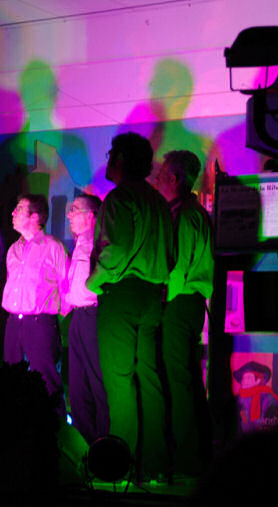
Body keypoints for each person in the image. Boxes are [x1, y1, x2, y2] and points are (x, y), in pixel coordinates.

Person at [86, 132, 173, 480]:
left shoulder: (120, 197)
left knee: (119, 380)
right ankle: (153, 466)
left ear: (120, 158)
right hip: (152, 295)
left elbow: (115, 250)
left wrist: (93, 282)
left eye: (111, 154)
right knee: (149, 380)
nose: (108, 160)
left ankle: (120, 467)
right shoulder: (158, 201)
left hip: (121, 294)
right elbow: (170, 255)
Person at [156, 150, 214, 476]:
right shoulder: (187, 212)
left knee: (179, 381)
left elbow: (177, 269)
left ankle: (186, 459)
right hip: (187, 304)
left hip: (180, 303)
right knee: (187, 378)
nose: (156, 180)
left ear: (175, 179)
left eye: (161, 175)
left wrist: (162, 301)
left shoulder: (187, 215)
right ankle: (196, 454)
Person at [2, 194, 68, 416]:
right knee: (12, 379)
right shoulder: (13, 249)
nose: (13, 212)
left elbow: (66, 286)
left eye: (19, 208)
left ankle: (56, 429)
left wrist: (56, 320)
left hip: (40, 323)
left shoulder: (53, 247)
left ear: (35, 217)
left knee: (46, 380)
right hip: (14, 322)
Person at [64, 193, 109, 444]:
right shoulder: (79, 243)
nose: (69, 215)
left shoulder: (97, 244)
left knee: (96, 380)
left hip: (93, 314)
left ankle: (103, 441)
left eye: (74, 209)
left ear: (91, 216)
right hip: (78, 317)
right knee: (78, 385)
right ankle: (84, 443)